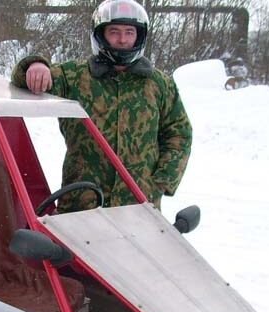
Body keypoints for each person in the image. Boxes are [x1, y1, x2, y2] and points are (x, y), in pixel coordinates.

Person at [11, 0, 192, 212]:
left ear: (139, 36)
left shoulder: (159, 84)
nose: (122, 39)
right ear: (100, 34)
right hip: (81, 204)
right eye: (114, 31)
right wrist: (36, 65)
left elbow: (179, 133)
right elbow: (24, 80)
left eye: (129, 32)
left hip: (137, 207)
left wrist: (160, 183)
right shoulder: (75, 77)